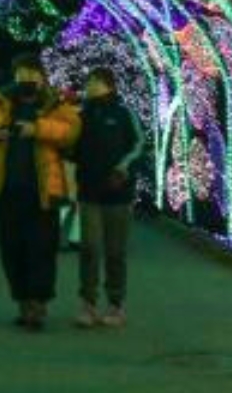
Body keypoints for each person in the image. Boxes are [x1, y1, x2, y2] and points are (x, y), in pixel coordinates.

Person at [0, 53, 81, 330]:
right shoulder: (0, 103)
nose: (27, 79)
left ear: (42, 76)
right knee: (12, 249)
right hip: (6, 191)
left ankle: (38, 305)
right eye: (22, 74)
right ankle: (22, 301)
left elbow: (72, 131)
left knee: (41, 250)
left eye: (32, 73)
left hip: (43, 193)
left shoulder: (54, 103)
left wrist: (37, 129)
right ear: (14, 76)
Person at [73, 66, 143, 328]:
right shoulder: (82, 115)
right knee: (89, 248)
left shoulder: (124, 114)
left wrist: (122, 168)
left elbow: (138, 144)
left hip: (118, 194)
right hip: (89, 192)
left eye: (94, 81)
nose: (89, 85)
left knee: (115, 251)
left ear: (108, 85)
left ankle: (116, 303)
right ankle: (88, 303)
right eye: (89, 81)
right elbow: (71, 147)